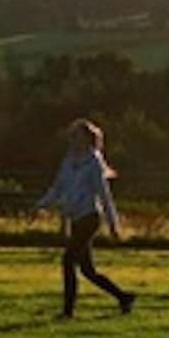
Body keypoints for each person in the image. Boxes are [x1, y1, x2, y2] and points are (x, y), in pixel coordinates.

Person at [33, 118, 136, 316]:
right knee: (88, 270)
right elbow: (57, 188)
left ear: (87, 139)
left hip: (89, 218)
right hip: (75, 218)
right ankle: (124, 297)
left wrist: (113, 223)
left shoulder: (94, 162)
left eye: (76, 135)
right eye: (71, 136)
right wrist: (40, 205)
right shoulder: (68, 162)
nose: (72, 139)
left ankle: (67, 311)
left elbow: (104, 194)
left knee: (67, 261)